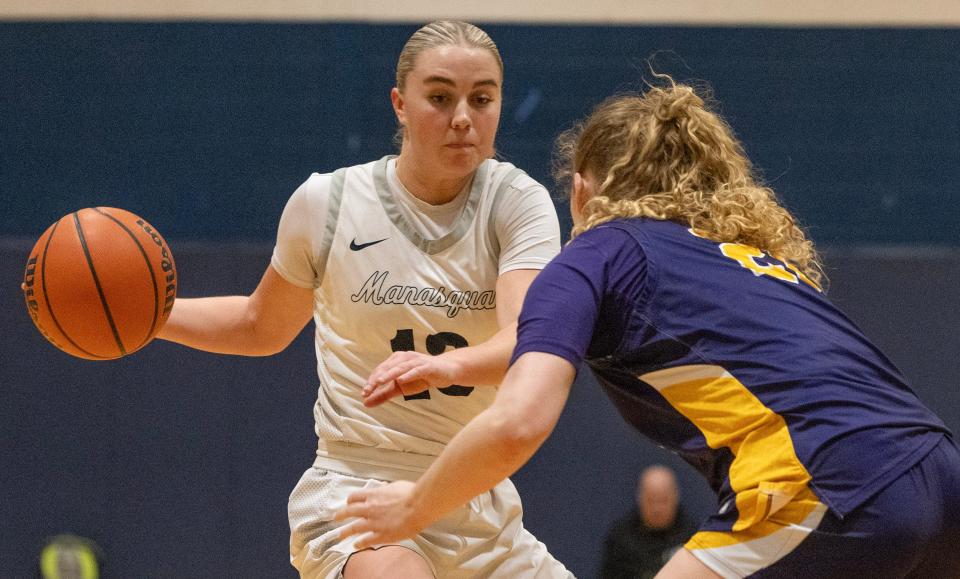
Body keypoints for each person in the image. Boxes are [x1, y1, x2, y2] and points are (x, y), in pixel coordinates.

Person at [335, 79, 960, 578]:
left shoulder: (596, 252)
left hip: (827, 481)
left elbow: (520, 420)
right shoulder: (726, 253)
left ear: (581, 189)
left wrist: (411, 507)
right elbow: (545, 345)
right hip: (938, 472)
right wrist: (456, 364)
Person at [157, 20, 573, 579]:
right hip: (356, 486)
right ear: (400, 104)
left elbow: (525, 341)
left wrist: (442, 365)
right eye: (440, 97)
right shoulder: (326, 203)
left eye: (482, 99)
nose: (462, 118)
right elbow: (261, 325)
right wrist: (149, 318)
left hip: (471, 494)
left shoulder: (517, 203)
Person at [600, 465, 696, 579]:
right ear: (640, 498)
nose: (657, 509)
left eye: (663, 500)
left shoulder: (693, 537)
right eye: (651, 500)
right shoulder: (621, 539)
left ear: (675, 497)